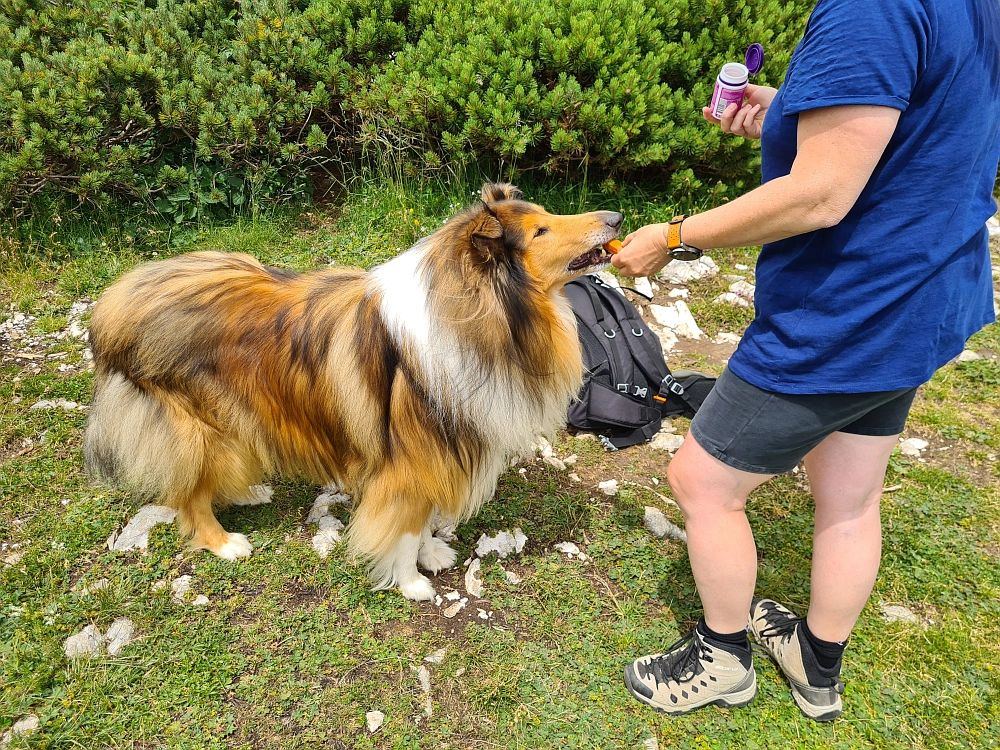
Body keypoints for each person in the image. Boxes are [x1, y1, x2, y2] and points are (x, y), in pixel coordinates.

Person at [613, 0, 1000, 722]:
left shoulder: (869, 7)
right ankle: (817, 666)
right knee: (850, 495)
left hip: (848, 307)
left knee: (701, 481)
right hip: (926, 293)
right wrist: (792, 110)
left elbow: (820, 194)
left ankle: (722, 658)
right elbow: (917, 119)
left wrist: (672, 234)